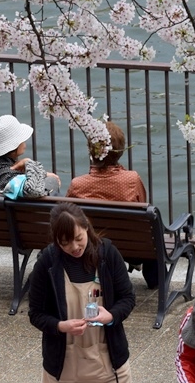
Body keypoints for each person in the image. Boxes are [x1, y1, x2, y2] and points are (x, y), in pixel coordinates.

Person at [28, 203, 136, 383]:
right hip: (65, 365)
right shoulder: (47, 262)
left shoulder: (107, 254)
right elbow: (36, 314)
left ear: (86, 227)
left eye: (78, 238)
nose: (74, 247)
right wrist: (60, 326)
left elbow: (128, 298)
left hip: (108, 360)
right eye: (65, 242)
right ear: (56, 241)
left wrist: (112, 315)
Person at [66, 121, 157, 289]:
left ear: (91, 151)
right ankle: (155, 280)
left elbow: (68, 218)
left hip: (90, 246)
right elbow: (143, 211)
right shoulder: (131, 180)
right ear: (120, 151)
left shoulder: (77, 184)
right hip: (132, 248)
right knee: (151, 236)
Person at [0, 114, 60, 197]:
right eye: (22, 139)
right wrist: (28, 163)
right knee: (53, 181)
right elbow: (34, 190)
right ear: (15, 145)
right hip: (14, 211)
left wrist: (42, 173)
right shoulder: (8, 178)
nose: (24, 142)